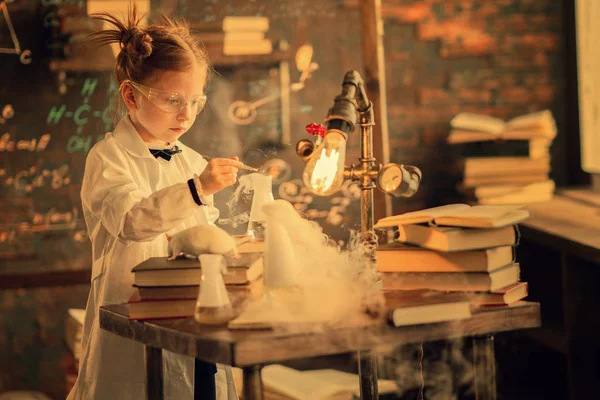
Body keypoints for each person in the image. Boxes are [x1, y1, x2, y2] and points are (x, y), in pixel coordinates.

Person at [67, 8, 242, 400]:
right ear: (131, 95)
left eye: (195, 101)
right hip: (131, 318)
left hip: (193, 318)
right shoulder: (107, 158)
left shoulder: (191, 161)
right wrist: (198, 189)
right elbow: (133, 221)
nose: (187, 114)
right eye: (174, 100)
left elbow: (203, 239)